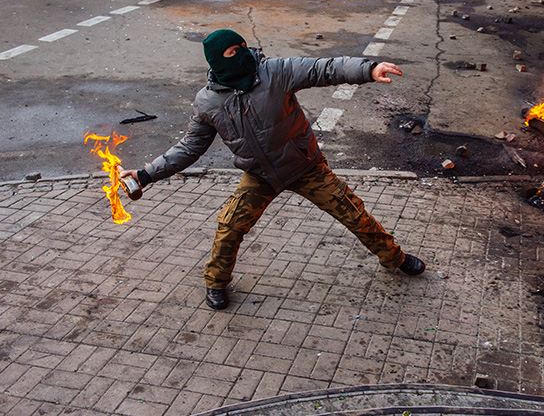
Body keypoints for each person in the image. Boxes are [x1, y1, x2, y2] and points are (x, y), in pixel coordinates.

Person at [122, 30, 426, 311]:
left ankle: (395, 258)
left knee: (353, 213)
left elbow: (323, 69)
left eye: (241, 48)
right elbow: (189, 148)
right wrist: (146, 175)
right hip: (259, 176)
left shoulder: (274, 72)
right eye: (231, 52)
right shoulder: (208, 102)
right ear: (216, 61)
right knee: (229, 226)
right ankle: (215, 283)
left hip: (305, 166)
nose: (241, 54)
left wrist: (368, 70)